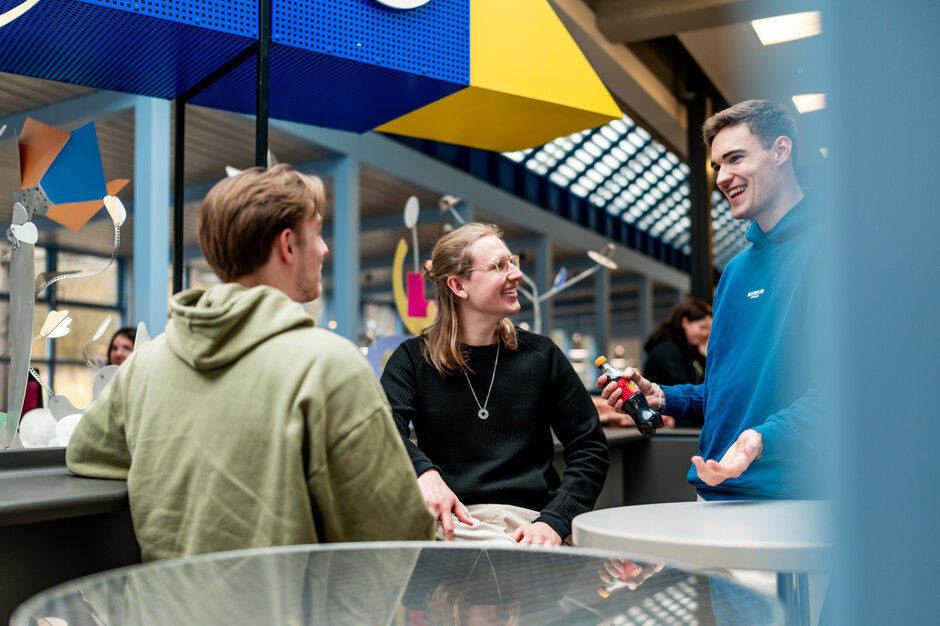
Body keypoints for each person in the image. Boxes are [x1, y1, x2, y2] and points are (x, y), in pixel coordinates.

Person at [67, 164, 435, 560]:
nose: (325, 249)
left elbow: (85, 453)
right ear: (288, 244)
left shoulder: (145, 364)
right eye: (318, 232)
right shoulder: (330, 366)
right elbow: (397, 533)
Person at [600, 100, 821, 501]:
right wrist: (664, 397)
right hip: (715, 490)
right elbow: (728, 391)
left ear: (781, 150)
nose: (722, 177)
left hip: (791, 498)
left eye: (736, 158)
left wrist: (758, 440)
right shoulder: (735, 272)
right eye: (717, 166)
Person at [381, 223, 609, 546]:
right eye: (498, 266)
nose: (515, 274)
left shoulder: (542, 356)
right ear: (459, 286)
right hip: (454, 526)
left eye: (511, 261)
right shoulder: (412, 360)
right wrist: (422, 471)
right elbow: (383, 428)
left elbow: (590, 448)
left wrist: (555, 521)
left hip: (530, 526)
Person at [642, 297, 712, 386]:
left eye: (708, 329)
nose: (705, 333)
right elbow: (681, 386)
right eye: (702, 327)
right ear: (685, 322)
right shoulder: (667, 350)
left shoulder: (691, 350)